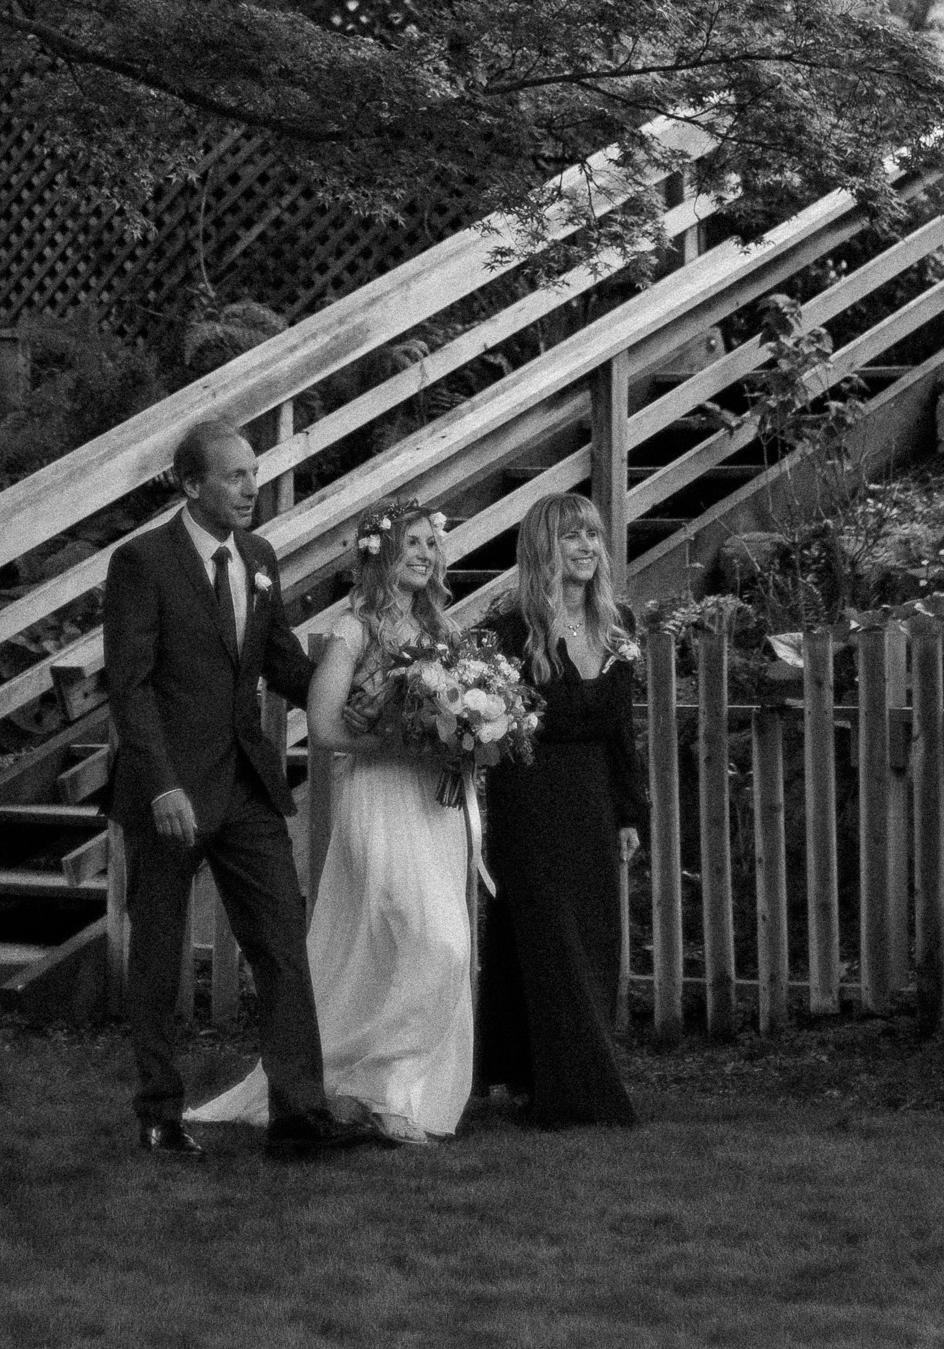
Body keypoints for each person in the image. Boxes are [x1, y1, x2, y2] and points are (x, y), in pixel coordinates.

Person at [103, 418, 374, 1161]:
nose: (251, 488)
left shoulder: (258, 557)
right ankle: (159, 1114)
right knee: (158, 958)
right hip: (171, 795)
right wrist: (161, 786)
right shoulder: (142, 563)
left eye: (254, 473)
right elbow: (129, 688)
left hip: (247, 786)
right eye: (234, 476)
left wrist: (369, 691)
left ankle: (299, 1116)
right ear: (191, 486)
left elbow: (280, 661)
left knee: (283, 945)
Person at [191, 498, 475, 1145]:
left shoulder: (446, 630)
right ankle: (379, 1081)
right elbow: (322, 727)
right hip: (379, 798)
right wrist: (402, 745)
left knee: (434, 944)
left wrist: (472, 737)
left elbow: (459, 714)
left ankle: (390, 1091)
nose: (424, 555)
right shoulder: (357, 629)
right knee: (431, 940)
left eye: (432, 544)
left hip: (435, 807)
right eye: (412, 544)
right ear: (380, 553)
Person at [475, 494, 647, 1128]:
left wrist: (630, 814)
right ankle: (576, 1092)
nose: (586, 547)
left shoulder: (616, 623)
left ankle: (534, 1076)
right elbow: (489, 725)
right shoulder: (510, 631)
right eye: (572, 536)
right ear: (544, 547)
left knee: (594, 942)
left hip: (593, 801)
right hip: (529, 801)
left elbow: (621, 732)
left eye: (594, 537)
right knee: (547, 942)